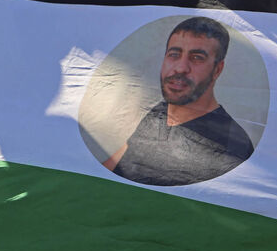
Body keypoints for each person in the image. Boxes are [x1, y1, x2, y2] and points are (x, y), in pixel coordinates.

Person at [103, 17, 254, 186]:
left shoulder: (232, 146)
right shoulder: (160, 111)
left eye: (197, 58)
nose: (181, 68)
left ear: (217, 69)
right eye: (174, 55)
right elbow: (115, 162)